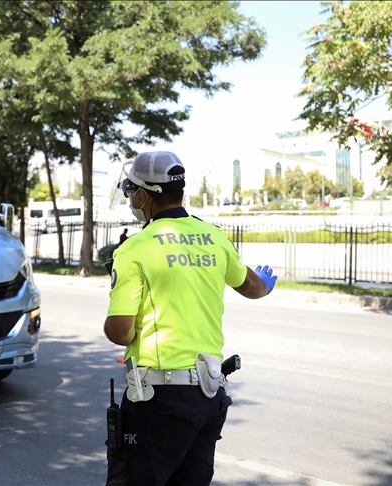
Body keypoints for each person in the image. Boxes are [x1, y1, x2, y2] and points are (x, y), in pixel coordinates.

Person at [103, 151, 277, 486]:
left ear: (143, 194)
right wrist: (266, 287)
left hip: (159, 402)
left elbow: (120, 331)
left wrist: (118, 308)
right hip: (209, 399)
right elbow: (252, 287)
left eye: (130, 190)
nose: (131, 198)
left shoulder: (135, 249)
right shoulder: (214, 237)